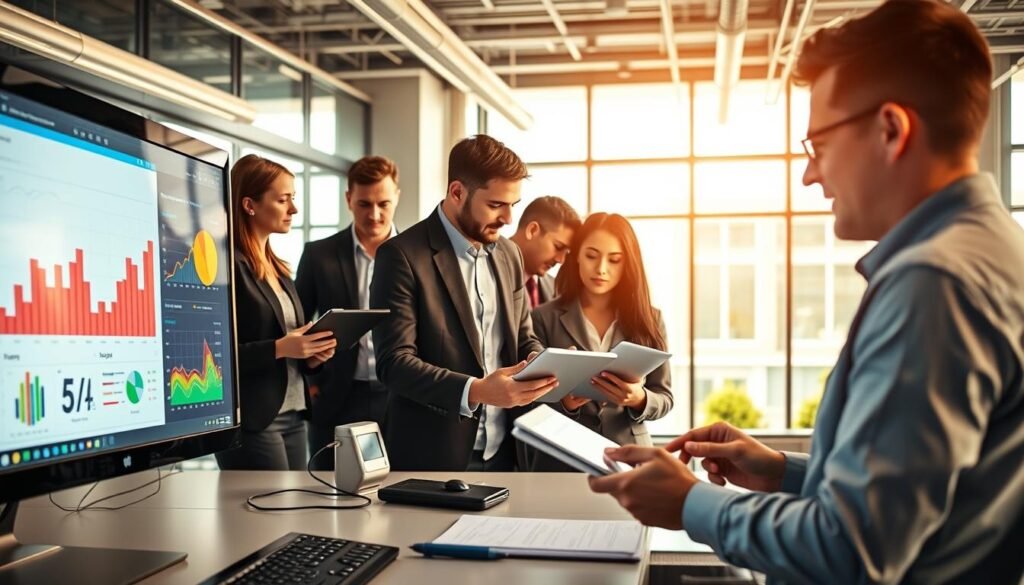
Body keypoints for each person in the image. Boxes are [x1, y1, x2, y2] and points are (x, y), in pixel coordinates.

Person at [588, 2, 1024, 583]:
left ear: (891, 130)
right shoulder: (995, 252)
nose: (809, 175)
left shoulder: (935, 285)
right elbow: (920, 494)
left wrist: (691, 503)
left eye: (817, 144)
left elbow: (853, 549)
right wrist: (782, 471)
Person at [370, 135, 557, 471]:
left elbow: (522, 336)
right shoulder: (400, 256)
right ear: (457, 193)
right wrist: (477, 391)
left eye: (513, 204)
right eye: (497, 205)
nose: (508, 218)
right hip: (433, 455)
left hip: (506, 452)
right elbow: (393, 363)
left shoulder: (509, 254)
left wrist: (549, 367)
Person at [217, 154, 337, 471]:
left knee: (292, 510)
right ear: (249, 205)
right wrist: (282, 347)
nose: (293, 210)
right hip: (255, 420)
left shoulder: (279, 269)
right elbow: (214, 357)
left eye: (292, 199)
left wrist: (309, 355)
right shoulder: (226, 267)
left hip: (294, 413)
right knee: (264, 516)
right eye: (283, 200)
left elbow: (287, 346)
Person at [528, 213, 672, 471]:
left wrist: (638, 398)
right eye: (592, 256)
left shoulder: (650, 319)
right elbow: (527, 398)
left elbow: (665, 397)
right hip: (561, 457)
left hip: (629, 459)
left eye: (614, 260)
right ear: (577, 257)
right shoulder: (543, 318)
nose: (601, 269)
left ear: (628, 264)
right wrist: (565, 404)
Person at [295, 155, 400, 470]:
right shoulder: (319, 255)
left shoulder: (416, 254)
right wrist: (310, 381)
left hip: (400, 396)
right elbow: (296, 323)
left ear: (397, 196)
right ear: (348, 199)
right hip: (336, 395)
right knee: (329, 488)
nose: (375, 214)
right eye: (364, 204)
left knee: (398, 491)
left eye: (383, 203)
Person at [508, 196, 581, 309]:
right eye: (558, 247)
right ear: (532, 230)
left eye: (566, 252)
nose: (560, 260)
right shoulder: (485, 272)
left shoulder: (555, 289)